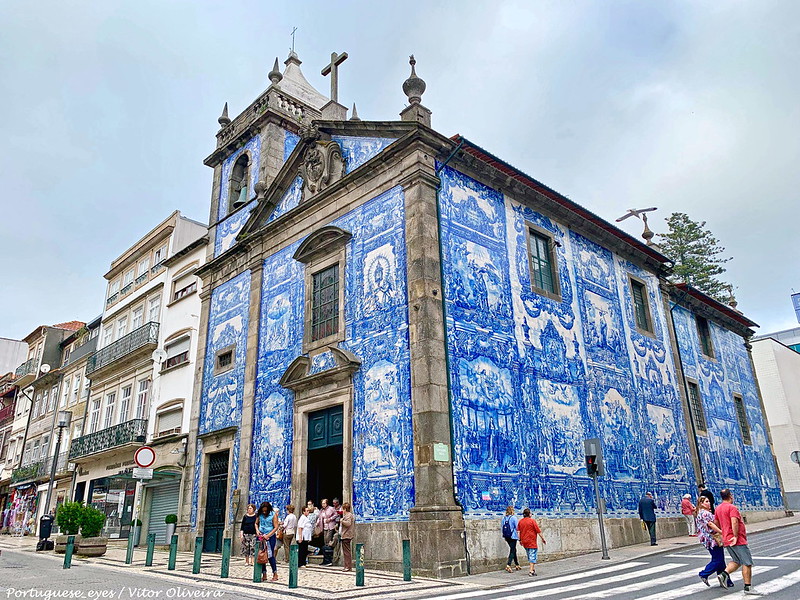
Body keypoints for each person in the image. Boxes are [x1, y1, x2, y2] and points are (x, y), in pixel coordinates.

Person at [715, 488, 761, 595]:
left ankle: (723, 574)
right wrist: (735, 536)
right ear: (730, 496)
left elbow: (716, 523)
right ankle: (748, 587)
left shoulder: (718, 508)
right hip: (737, 539)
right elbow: (734, 521)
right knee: (747, 563)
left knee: (737, 560)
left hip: (727, 539)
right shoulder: (732, 508)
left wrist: (723, 533)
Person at [695, 495, 725, 586]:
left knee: (720, 559)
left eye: (709, 501)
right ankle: (704, 573)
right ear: (701, 504)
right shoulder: (704, 513)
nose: (709, 503)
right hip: (712, 539)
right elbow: (711, 524)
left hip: (709, 538)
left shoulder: (702, 513)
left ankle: (725, 579)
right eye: (706, 502)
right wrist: (721, 532)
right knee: (718, 559)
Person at [517, 508, 546, 576]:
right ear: (529, 514)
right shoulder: (532, 521)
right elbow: (538, 531)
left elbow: (519, 532)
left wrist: (520, 540)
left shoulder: (520, 522)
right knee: (532, 555)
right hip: (531, 541)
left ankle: (532, 568)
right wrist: (543, 538)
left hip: (524, 541)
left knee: (529, 555)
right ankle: (531, 571)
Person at [256, 501, 279, 582]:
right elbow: (256, 523)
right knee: (261, 555)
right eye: (263, 511)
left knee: (270, 555)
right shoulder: (260, 515)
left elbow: (276, 527)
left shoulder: (273, 515)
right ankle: (264, 573)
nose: (264, 512)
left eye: (266, 511)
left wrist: (268, 535)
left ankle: (275, 573)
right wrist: (257, 531)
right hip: (261, 536)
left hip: (270, 537)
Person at [500, 506, 520, 572]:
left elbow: (502, 527)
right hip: (513, 536)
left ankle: (517, 564)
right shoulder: (514, 518)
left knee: (514, 549)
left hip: (507, 536)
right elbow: (517, 527)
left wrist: (504, 536)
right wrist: (519, 536)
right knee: (512, 550)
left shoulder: (504, 518)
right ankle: (508, 565)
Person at [319, 498, 339, 565]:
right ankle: (325, 559)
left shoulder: (331, 509)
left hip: (330, 527)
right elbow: (320, 519)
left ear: (327, 503)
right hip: (325, 528)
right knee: (325, 543)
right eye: (322, 503)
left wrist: (330, 519)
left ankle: (329, 559)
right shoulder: (321, 510)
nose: (323, 505)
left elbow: (336, 514)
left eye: (324, 503)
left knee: (328, 542)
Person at [340, 502, 355, 572]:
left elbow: (348, 524)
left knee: (347, 552)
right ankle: (347, 566)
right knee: (346, 551)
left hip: (346, 535)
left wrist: (342, 521)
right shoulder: (347, 515)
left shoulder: (348, 515)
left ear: (345, 509)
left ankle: (348, 566)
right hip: (345, 535)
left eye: (343, 509)